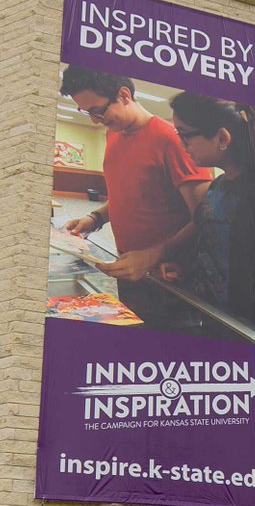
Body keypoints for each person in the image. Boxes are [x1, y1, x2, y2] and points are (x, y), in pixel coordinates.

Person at [58, 66, 211, 328]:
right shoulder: (114, 133)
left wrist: (155, 255)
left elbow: (207, 218)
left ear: (124, 95)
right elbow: (131, 194)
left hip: (170, 278)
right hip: (130, 270)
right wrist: (95, 218)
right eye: (87, 112)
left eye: (98, 110)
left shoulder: (171, 141)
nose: (95, 120)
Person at [165, 92, 255, 337]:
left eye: (185, 135)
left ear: (222, 138)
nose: (181, 144)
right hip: (213, 320)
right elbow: (219, 250)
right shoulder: (218, 186)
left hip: (246, 334)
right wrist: (187, 273)